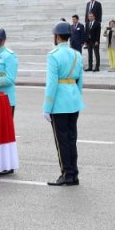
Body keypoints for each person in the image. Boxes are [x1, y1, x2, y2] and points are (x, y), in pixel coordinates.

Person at [44, 22, 84, 186]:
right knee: (71, 138)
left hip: (59, 103)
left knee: (61, 141)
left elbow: (51, 84)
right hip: (73, 101)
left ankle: (66, 173)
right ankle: (73, 174)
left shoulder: (53, 55)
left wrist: (47, 107)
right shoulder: (77, 55)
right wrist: (77, 97)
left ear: (57, 36)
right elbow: (80, 81)